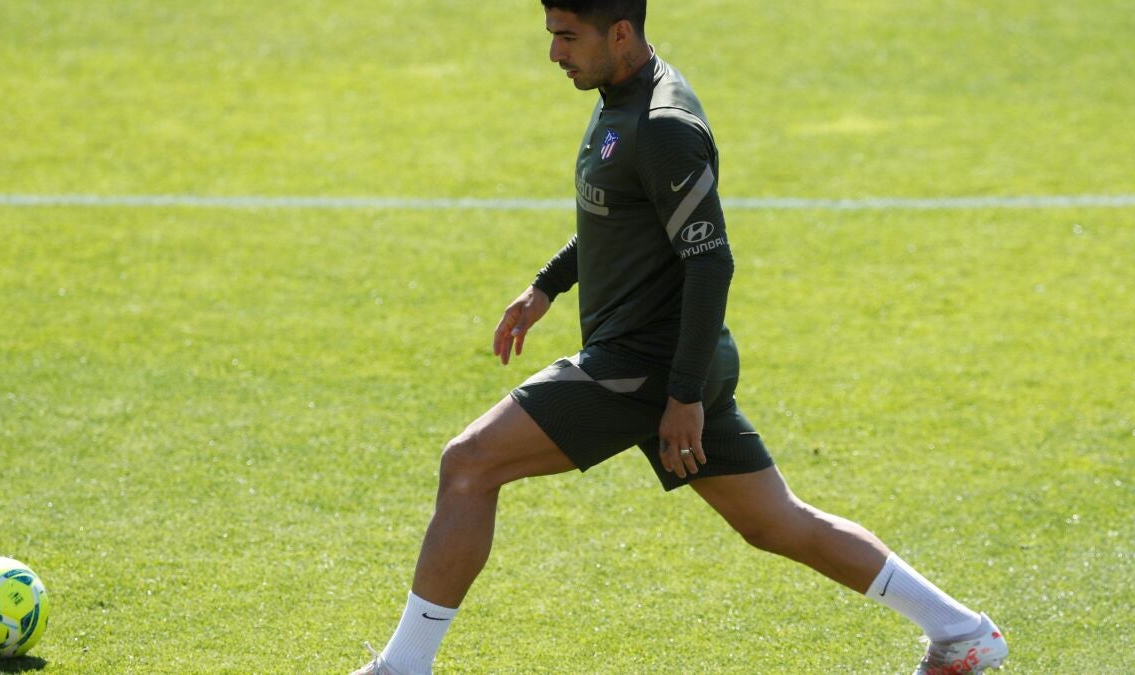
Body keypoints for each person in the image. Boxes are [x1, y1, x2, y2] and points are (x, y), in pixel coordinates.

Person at [353, 1, 1008, 673]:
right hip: (669, 364)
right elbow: (622, 217)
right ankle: (961, 631)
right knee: (775, 522)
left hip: (644, 368)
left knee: (469, 464)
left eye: (567, 37)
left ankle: (402, 666)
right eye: (552, 36)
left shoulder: (663, 126)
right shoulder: (621, 96)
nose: (554, 54)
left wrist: (684, 395)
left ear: (620, 33)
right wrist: (547, 285)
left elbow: (710, 260)